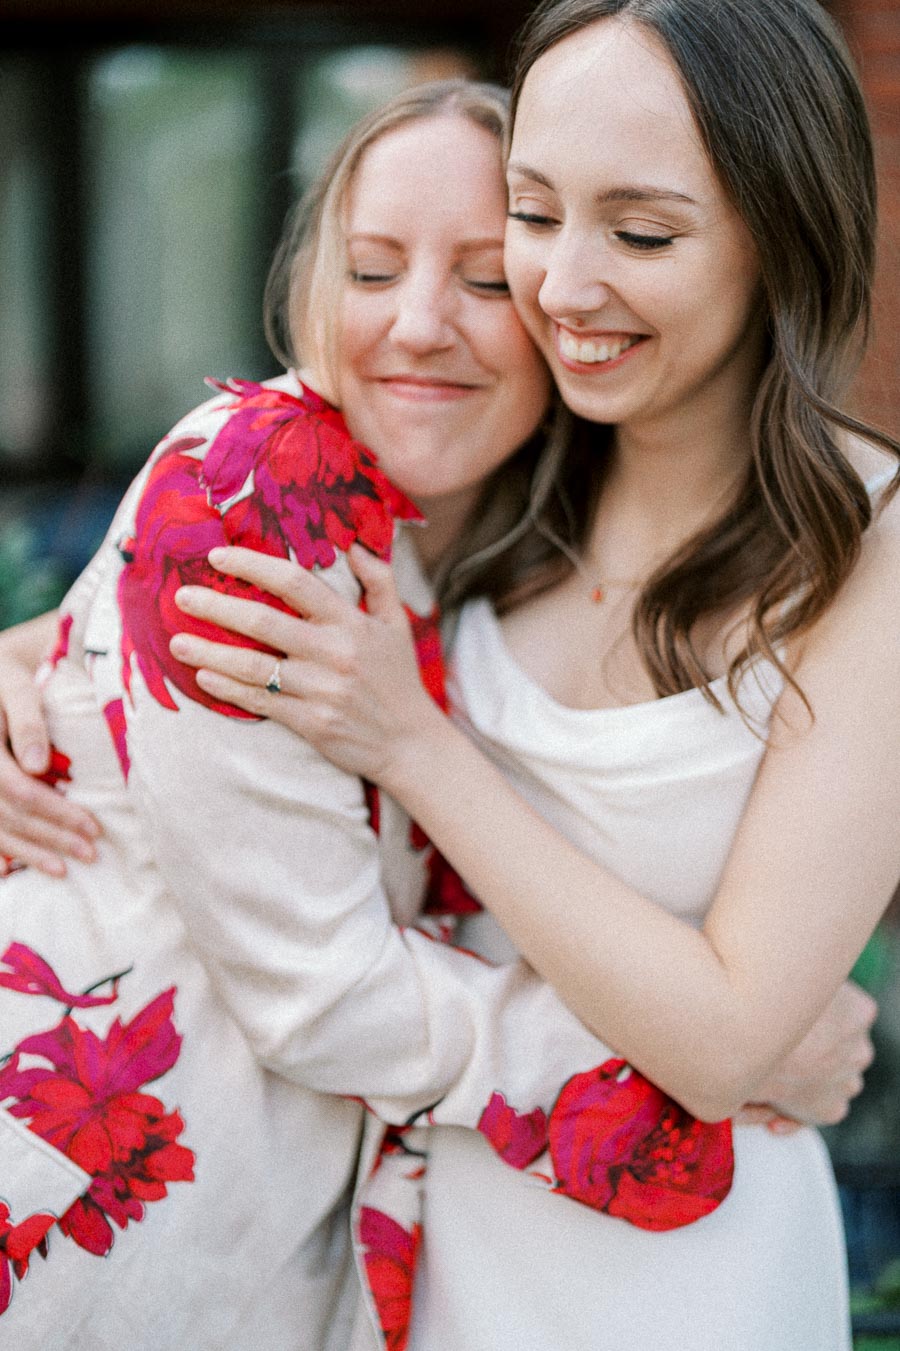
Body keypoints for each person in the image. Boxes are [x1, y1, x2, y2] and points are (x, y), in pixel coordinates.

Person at [6, 76, 857, 1347]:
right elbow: (324, 991)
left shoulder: (479, 538)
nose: (417, 324)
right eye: (372, 268)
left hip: (298, 1251)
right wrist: (710, 1065)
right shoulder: (257, 492)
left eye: (481, 279)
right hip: (113, 1244)